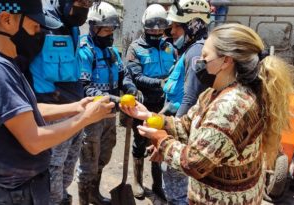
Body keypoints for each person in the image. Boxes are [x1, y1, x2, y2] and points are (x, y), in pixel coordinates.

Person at [120, 23, 294, 205]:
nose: (198, 61)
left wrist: (162, 141)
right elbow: (188, 125)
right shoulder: (214, 92)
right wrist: (150, 116)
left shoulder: (232, 107)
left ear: (226, 61)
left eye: (205, 56)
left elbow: (195, 163)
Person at [0, 0, 115, 204]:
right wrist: (85, 118)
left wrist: (76, 107)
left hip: (24, 189)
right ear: (7, 19)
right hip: (15, 195)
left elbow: (26, 111)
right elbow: (34, 140)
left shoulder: (0, 62)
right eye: (35, 25)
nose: (37, 33)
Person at [28, 0, 98, 204]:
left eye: (89, 2)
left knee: (68, 167)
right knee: (52, 170)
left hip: (74, 110)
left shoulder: (73, 27)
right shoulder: (40, 23)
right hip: (51, 114)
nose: (85, 7)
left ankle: (62, 197)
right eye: (81, 1)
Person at [159, 0, 211, 204]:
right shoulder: (190, 49)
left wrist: (171, 131)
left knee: (177, 184)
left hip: (184, 127)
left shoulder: (196, 53)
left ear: (194, 25)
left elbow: (190, 98)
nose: (171, 31)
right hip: (179, 121)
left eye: (176, 26)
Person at [125, 3, 176, 200]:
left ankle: (157, 184)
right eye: (152, 27)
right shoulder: (135, 48)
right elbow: (135, 76)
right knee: (139, 142)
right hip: (144, 102)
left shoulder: (170, 48)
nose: (156, 31)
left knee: (159, 142)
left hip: (165, 104)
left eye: (160, 28)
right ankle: (137, 181)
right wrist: (160, 83)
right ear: (145, 26)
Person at [75, 2, 122, 205]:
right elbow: (84, 86)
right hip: (93, 117)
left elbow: (122, 73)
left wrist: (129, 87)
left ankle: (94, 194)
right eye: (106, 29)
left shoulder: (112, 51)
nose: (110, 33)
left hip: (110, 115)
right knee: (88, 162)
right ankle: (84, 200)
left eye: (112, 29)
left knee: (104, 154)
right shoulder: (85, 51)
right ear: (94, 28)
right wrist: (112, 99)